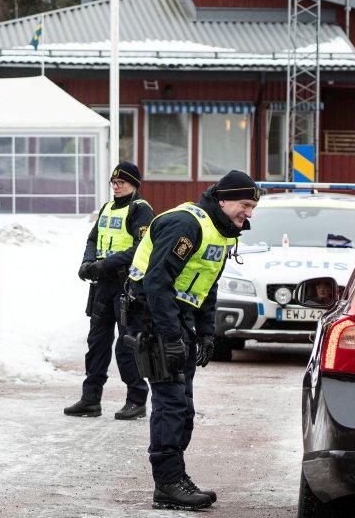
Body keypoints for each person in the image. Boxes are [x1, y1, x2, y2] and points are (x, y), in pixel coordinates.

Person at [126, 170, 259, 511]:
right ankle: (168, 483)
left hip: (179, 317)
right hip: (155, 315)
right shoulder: (188, 225)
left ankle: (175, 477)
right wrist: (170, 338)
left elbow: (206, 285)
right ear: (223, 199)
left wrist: (205, 333)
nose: (248, 213)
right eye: (244, 205)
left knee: (184, 407)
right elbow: (157, 283)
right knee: (171, 404)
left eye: (253, 207)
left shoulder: (223, 231)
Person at [64, 160, 153, 420]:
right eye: (113, 183)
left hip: (127, 286)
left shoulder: (141, 210)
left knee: (127, 345)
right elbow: (93, 238)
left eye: (121, 183)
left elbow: (140, 247)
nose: (116, 186)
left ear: (134, 185)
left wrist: (104, 265)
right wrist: (87, 263)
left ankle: (136, 399)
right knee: (97, 343)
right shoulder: (107, 208)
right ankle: (90, 400)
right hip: (103, 285)